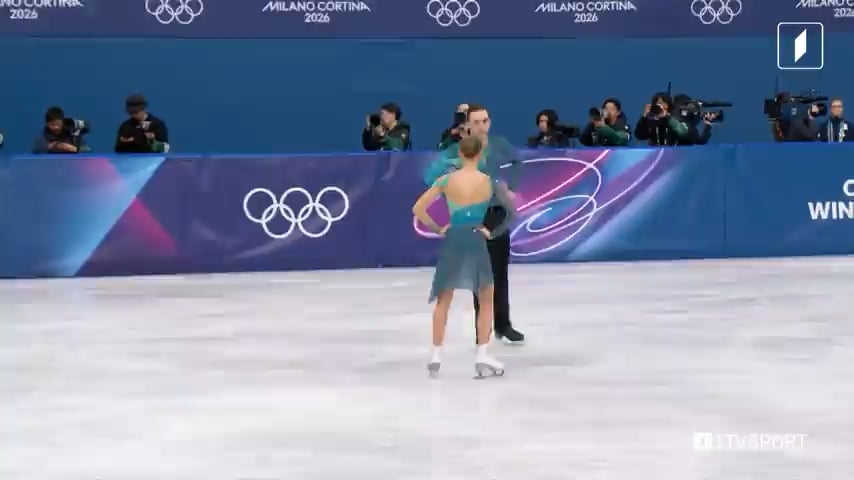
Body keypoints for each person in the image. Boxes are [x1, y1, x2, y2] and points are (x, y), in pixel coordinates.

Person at [413, 136, 516, 378]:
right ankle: (482, 354)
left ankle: (436, 355)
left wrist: (438, 229)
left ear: (460, 154)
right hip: (476, 239)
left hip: (454, 239)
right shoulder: (489, 182)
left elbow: (418, 208)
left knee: (443, 299)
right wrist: (492, 232)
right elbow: (511, 212)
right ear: (480, 155)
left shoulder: (446, 180)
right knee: (486, 297)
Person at [423, 104, 525, 344]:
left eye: (485, 121)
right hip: (474, 216)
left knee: (500, 272)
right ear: (467, 124)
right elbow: (430, 176)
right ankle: (484, 329)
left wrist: (511, 187)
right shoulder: (459, 149)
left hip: (497, 213)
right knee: (482, 276)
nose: (481, 126)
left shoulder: (498, 144)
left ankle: (503, 325)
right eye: (476, 122)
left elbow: (517, 161)